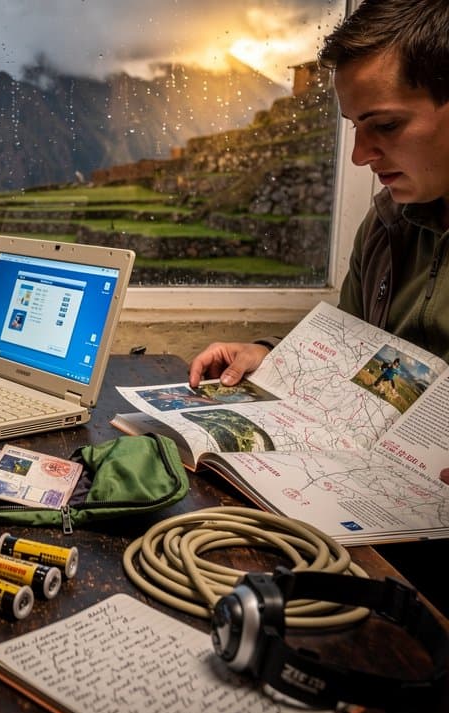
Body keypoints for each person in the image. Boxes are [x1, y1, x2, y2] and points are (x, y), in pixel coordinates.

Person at [187, 0, 449, 609]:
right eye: (355, 127)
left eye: (385, 126)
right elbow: (356, 356)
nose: (361, 156)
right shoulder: (387, 227)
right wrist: (271, 356)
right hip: (378, 524)